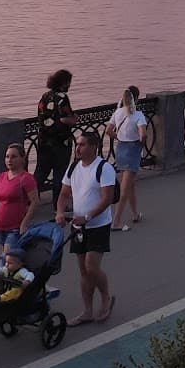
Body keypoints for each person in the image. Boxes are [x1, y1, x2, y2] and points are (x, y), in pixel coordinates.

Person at [56, 129, 116, 325]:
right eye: (77, 144)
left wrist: (88, 217)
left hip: (98, 224)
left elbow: (107, 199)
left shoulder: (104, 168)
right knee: (83, 270)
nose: (78, 148)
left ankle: (106, 296)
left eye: (82, 145)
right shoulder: (74, 167)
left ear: (93, 147)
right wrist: (59, 212)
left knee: (92, 266)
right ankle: (87, 311)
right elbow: (64, 194)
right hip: (78, 226)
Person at [108, 86, 149, 231]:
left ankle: (135, 213)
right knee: (125, 187)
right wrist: (140, 142)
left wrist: (119, 137)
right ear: (136, 98)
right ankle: (116, 221)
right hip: (132, 150)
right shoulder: (138, 115)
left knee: (129, 184)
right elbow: (143, 134)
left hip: (120, 149)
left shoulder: (118, 112)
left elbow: (108, 130)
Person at [35, 69, 76, 203]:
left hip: (43, 141)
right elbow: (65, 119)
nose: (69, 85)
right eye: (68, 82)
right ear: (63, 83)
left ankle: (29, 201)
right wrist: (75, 119)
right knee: (60, 173)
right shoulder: (62, 98)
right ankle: (58, 205)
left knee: (40, 173)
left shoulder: (45, 96)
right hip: (60, 142)